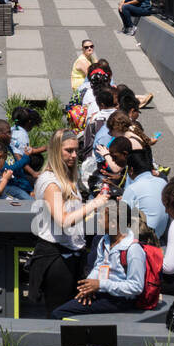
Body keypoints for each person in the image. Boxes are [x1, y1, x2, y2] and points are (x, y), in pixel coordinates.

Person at [26, 129, 110, 315]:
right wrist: (94, 204)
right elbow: (63, 221)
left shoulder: (67, 177)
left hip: (73, 253)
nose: (74, 155)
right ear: (56, 151)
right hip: (56, 257)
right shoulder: (51, 182)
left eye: (76, 150)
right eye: (68, 151)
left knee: (73, 312)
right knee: (59, 313)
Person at [51, 203, 147, 317]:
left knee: (59, 313)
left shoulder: (133, 249)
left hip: (121, 299)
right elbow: (98, 266)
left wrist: (101, 285)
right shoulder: (104, 240)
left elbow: (136, 286)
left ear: (112, 224)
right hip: (103, 291)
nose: (98, 221)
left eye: (101, 218)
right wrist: (88, 286)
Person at [122, 151, 169, 241]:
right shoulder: (162, 182)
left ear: (131, 170)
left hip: (144, 239)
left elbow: (121, 220)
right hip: (160, 234)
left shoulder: (132, 188)